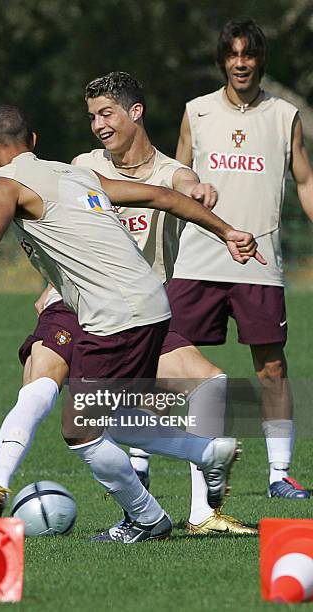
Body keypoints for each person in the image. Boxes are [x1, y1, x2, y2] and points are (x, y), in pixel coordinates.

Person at [0, 105, 263, 542]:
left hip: (113, 315)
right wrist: (227, 231)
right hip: (153, 303)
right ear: (33, 141)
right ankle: (206, 451)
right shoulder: (74, 174)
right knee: (116, 416)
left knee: (79, 428)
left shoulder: (6, 183)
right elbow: (162, 197)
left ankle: (147, 517)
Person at [174, 18, 313, 499]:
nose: (240, 63)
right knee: (171, 362)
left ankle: (279, 475)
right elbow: (176, 180)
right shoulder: (197, 112)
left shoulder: (285, 115)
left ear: (259, 60)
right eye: (232, 55)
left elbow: (305, 181)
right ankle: (147, 463)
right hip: (197, 259)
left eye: (248, 55)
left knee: (271, 367)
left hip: (259, 264)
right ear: (222, 61)